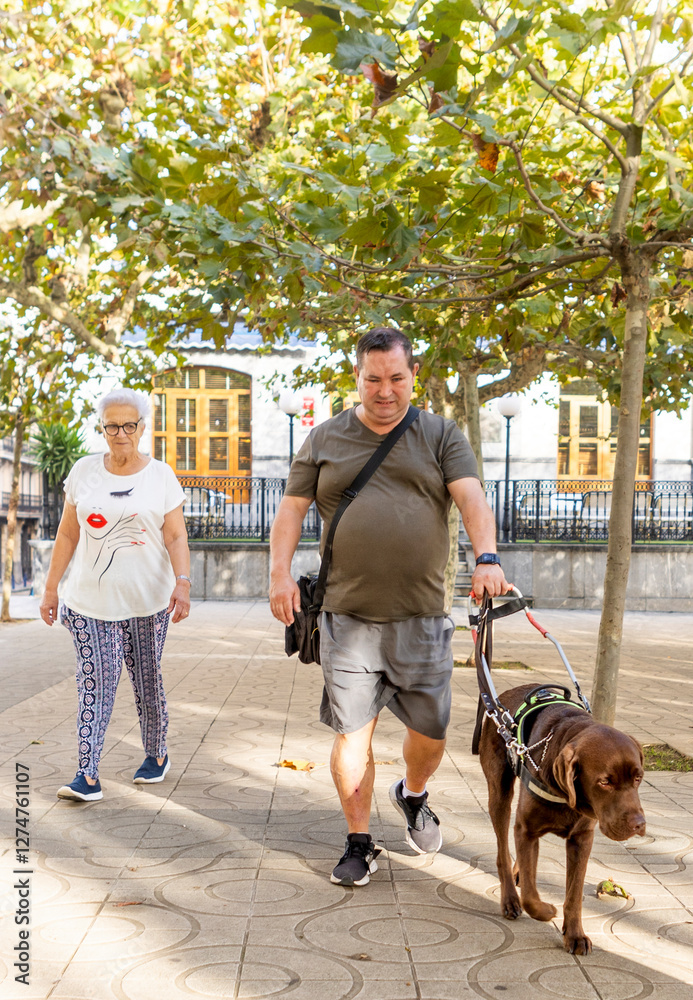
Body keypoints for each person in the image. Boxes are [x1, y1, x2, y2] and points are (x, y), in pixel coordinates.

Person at [269, 328, 511, 886]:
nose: (384, 390)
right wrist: (279, 573)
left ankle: (413, 793)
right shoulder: (324, 438)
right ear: (356, 378)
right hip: (347, 618)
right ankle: (359, 841)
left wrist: (488, 557)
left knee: (432, 734)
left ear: (412, 377)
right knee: (353, 732)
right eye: (373, 379)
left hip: (422, 618)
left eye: (396, 378)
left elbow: (471, 496)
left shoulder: (440, 434)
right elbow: (290, 510)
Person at [39, 388, 191, 801]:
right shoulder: (84, 471)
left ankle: (157, 754)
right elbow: (68, 533)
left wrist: (183, 581)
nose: (120, 433)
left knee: (146, 679)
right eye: (112, 425)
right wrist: (51, 589)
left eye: (128, 425)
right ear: (102, 428)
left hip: (149, 600)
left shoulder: (160, 475)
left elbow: (175, 534)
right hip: (89, 601)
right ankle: (86, 775)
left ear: (142, 428)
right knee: (95, 682)